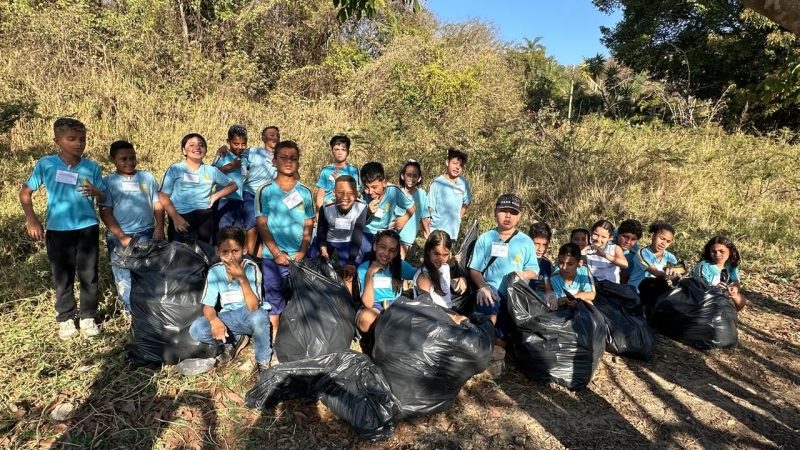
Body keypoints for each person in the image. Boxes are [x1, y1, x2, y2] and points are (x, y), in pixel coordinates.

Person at [20, 117, 107, 339]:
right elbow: (26, 192)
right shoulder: (46, 164)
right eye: (72, 139)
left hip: (87, 226)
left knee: (89, 274)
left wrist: (96, 192)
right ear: (57, 140)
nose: (79, 143)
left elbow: (105, 195)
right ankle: (66, 318)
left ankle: (88, 316)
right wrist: (32, 219)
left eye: (82, 139)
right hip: (58, 229)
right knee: (62, 275)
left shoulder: (92, 167)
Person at [188, 227, 272, 371]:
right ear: (217, 251)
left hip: (248, 314)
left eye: (235, 251)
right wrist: (215, 321)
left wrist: (242, 278)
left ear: (244, 250)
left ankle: (263, 361)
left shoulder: (250, 268)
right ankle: (234, 340)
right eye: (225, 252)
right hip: (228, 317)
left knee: (259, 317)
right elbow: (208, 306)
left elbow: (253, 307)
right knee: (197, 329)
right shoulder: (215, 271)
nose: (230, 257)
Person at [255, 140, 315, 340]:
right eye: (284, 157)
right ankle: (276, 339)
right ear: (274, 161)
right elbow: (262, 225)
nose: (289, 162)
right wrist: (276, 253)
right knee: (274, 298)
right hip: (273, 258)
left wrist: (303, 251)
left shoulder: (305, 192)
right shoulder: (265, 191)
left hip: (299, 257)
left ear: (298, 162)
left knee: (302, 298)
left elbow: (309, 223)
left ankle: (301, 338)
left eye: (293, 158)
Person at [98, 140, 164, 314]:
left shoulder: (147, 178)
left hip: (146, 233)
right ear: (112, 159)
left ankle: (151, 310)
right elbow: (106, 213)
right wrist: (121, 237)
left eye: (132, 158)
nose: (129, 162)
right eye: (123, 159)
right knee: (124, 275)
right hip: (120, 236)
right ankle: (131, 312)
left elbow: (157, 204)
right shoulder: (108, 182)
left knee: (148, 272)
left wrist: (159, 228)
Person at [469, 194, 539, 334]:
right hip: (491, 288)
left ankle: (500, 342)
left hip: (515, 292)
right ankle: (486, 341)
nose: (508, 216)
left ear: (519, 216)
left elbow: (534, 270)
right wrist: (483, 287)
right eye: (504, 211)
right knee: (487, 305)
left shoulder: (525, 241)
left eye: (513, 212)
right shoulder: (485, 238)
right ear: (495, 212)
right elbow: (474, 269)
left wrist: (524, 274)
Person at [159, 133, 237, 244]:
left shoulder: (211, 170)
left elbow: (233, 185)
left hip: (204, 217)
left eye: (201, 145)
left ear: (205, 150)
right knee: (179, 255)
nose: (197, 147)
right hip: (181, 218)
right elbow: (163, 195)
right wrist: (175, 218)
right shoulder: (175, 169)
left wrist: (216, 196)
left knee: (202, 255)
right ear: (184, 151)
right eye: (191, 145)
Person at [313, 175, 368, 293]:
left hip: (348, 240)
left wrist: (351, 261)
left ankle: (349, 297)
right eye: (340, 192)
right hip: (329, 239)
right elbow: (321, 230)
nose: (345, 197)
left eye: (350, 193)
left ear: (356, 193)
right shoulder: (326, 207)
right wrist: (323, 250)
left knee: (350, 270)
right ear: (334, 193)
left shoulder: (362, 207)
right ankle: (317, 292)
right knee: (314, 260)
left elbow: (357, 234)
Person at [355, 230, 416, 334]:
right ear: (375, 246)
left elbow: (419, 275)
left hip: (396, 306)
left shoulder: (399, 266)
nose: (386, 253)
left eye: (392, 250)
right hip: (375, 307)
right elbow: (368, 304)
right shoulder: (363, 269)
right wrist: (370, 274)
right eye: (383, 247)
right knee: (365, 320)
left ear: (396, 252)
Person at [242, 125, 280, 255]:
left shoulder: (281, 157)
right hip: (251, 193)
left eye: (277, 135)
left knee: (266, 228)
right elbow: (236, 159)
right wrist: (223, 149)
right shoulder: (252, 152)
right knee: (252, 224)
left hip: (270, 197)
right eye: (271, 135)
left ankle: (260, 260)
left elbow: (295, 176)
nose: (275, 137)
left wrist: (279, 165)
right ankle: (249, 256)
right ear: (263, 138)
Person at [360, 161, 416, 242]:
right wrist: (368, 212)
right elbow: (357, 221)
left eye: (374, 187)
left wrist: (405, 218)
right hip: (367, 230)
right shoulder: (362, 195)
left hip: (386, 231)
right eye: (366, 187)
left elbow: (412, 206)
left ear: (384, 183)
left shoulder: (393, 191)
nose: (370, 192)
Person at [413, 230, 467, 309]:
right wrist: (454, 317)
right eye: (436, 254)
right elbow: (426, 309)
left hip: (447, 312)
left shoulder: (445, 267)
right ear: (428, 251)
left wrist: (461, 279)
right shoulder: (424, 277)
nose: (440, 259)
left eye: (445, 255)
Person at [428, 148, 472, 240]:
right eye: (455, 163)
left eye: (461, 165)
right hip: (436, 229)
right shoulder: (437, 183)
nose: (457, 167)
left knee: (447, 253)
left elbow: (467, 200)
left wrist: (459, 215)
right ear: (447, 162)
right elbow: (430, 206)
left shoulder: (463, 182)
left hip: (453, 230)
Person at [694, 236, 747, 310]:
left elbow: (736, 282)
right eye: (713, 251)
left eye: (721, 251)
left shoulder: (731, 266)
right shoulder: (704, 266)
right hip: (706, 297)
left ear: (730, 251)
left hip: (725, 294)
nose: (717, 254)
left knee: (740, 300)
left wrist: (734, 289)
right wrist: (715, 288)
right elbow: (699, 287)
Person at [213, 125, 248, 230]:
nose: (240, 147)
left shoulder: (244, 159)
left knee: (236, 232)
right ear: (228, 141)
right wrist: (230, 166)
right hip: (224, 200)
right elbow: (212, 174)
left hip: (239, 200)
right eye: (236, 144)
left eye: (243, 144)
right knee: (222, 232)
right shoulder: (223, 155)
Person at [628, 221, 679, 292]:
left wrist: (676, 273)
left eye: (668, 241)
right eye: (662, 238)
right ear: (652, 236)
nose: (664, 243)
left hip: (655, 293)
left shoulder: (671, 257)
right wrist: (668, 275)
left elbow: (677, 273)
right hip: (636, 292)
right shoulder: (643, 253)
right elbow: (656, 273)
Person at [314, 134, 362, 210]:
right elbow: (320, 195)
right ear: (332, 151)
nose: (340, 152)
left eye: (343, 149)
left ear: (348, 152)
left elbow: (358, 192)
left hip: (347, 209)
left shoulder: (354, 170)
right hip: (328, 209)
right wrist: (319, 212)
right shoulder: (326, 171)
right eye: (336, 149)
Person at [397, 160, 431, 259]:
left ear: (419, 178)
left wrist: (428, 233)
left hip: (407, 236)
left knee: (399, 261)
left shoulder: (421, 194)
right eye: (408, 175)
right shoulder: (396, 192)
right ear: (403, 176)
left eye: (415, 175)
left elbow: (424, 216)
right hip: (393, 233)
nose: (411, 178)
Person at [547, 243, 596, 307]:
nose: (564, 267)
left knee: (588, 302)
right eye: (561, 263)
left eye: (570, 264)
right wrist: (563, 301)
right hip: (565, 309)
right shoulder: (555, 278)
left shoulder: (584, 271)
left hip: (582, 306)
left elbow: (591, 294)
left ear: (579, 263)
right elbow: (559, 300)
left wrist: (572, 298)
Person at [615, 219, 643, 284]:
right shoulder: (607, 240)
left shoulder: (634, 257)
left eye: (633, 239)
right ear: (618, 234)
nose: (628, 242)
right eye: (625, 237)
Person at [528, 222, 553, 293]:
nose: (540, 249)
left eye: (544, 245)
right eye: (536, 244)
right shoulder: (521, 260)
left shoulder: (547, 264)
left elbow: (548, 288)